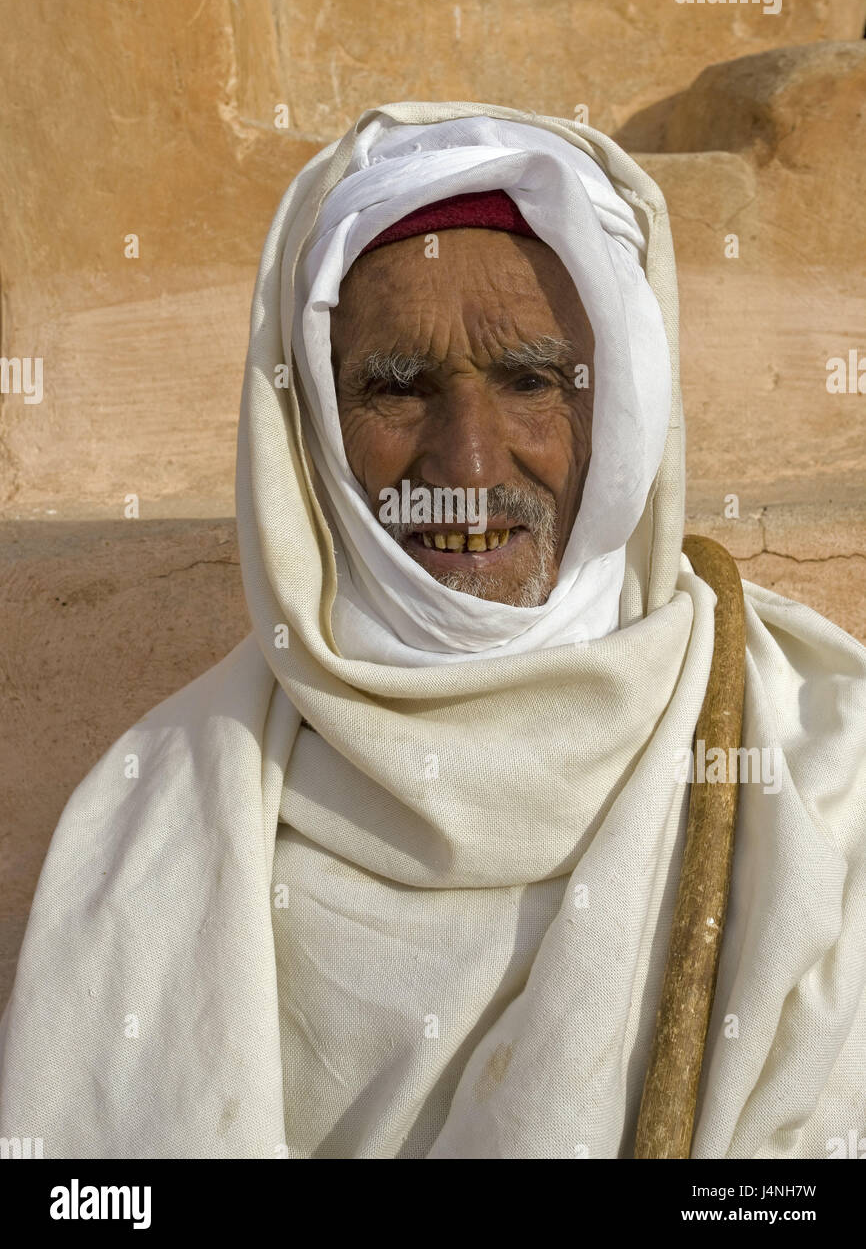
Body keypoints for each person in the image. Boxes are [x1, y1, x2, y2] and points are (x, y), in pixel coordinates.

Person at [1, 103, 864, 1160]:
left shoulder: (827, 768)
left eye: (530, 379)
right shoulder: (154, 821)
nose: (463, 467)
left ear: (626, 405)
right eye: (396, 389)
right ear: (313, 424)